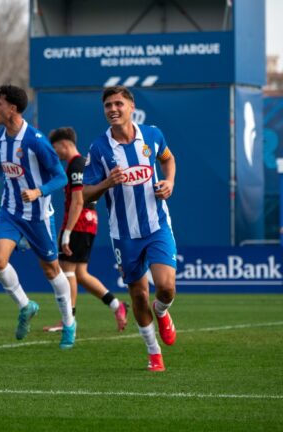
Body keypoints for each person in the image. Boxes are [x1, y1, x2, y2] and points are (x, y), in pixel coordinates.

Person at [0, 85, 75, 349]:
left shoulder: (35, 140)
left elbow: (60, 176)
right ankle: (26, 306)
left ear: (12, 108)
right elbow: (0, 167)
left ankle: (69, 323)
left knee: (51, 269)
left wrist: (39, 191)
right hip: (10, 211)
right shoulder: (1, 136)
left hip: (37, 215)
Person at [82, 85, 177, 372]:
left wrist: (169, 181)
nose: (113, 109)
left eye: (118, 104)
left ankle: (162, 313)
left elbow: (168, 159)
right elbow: (86, 194)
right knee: (138, 294)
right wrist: (105, 184)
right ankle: (154, 353)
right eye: (108, 105)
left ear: (131, 106)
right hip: (123, 235)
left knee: (166, 287)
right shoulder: (99, 148)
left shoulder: (152, 135)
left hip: (157, 225)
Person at [43, 127, 128, 333]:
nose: (55, 154)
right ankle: (117, 305)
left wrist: (67, 233)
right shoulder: (80, 165)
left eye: (55, 149)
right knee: (80, 273)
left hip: (79, 223)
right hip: (88, 222)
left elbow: (77, 201)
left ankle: (68, 319)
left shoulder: (76, 164)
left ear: (65, 144)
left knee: (68, 271)